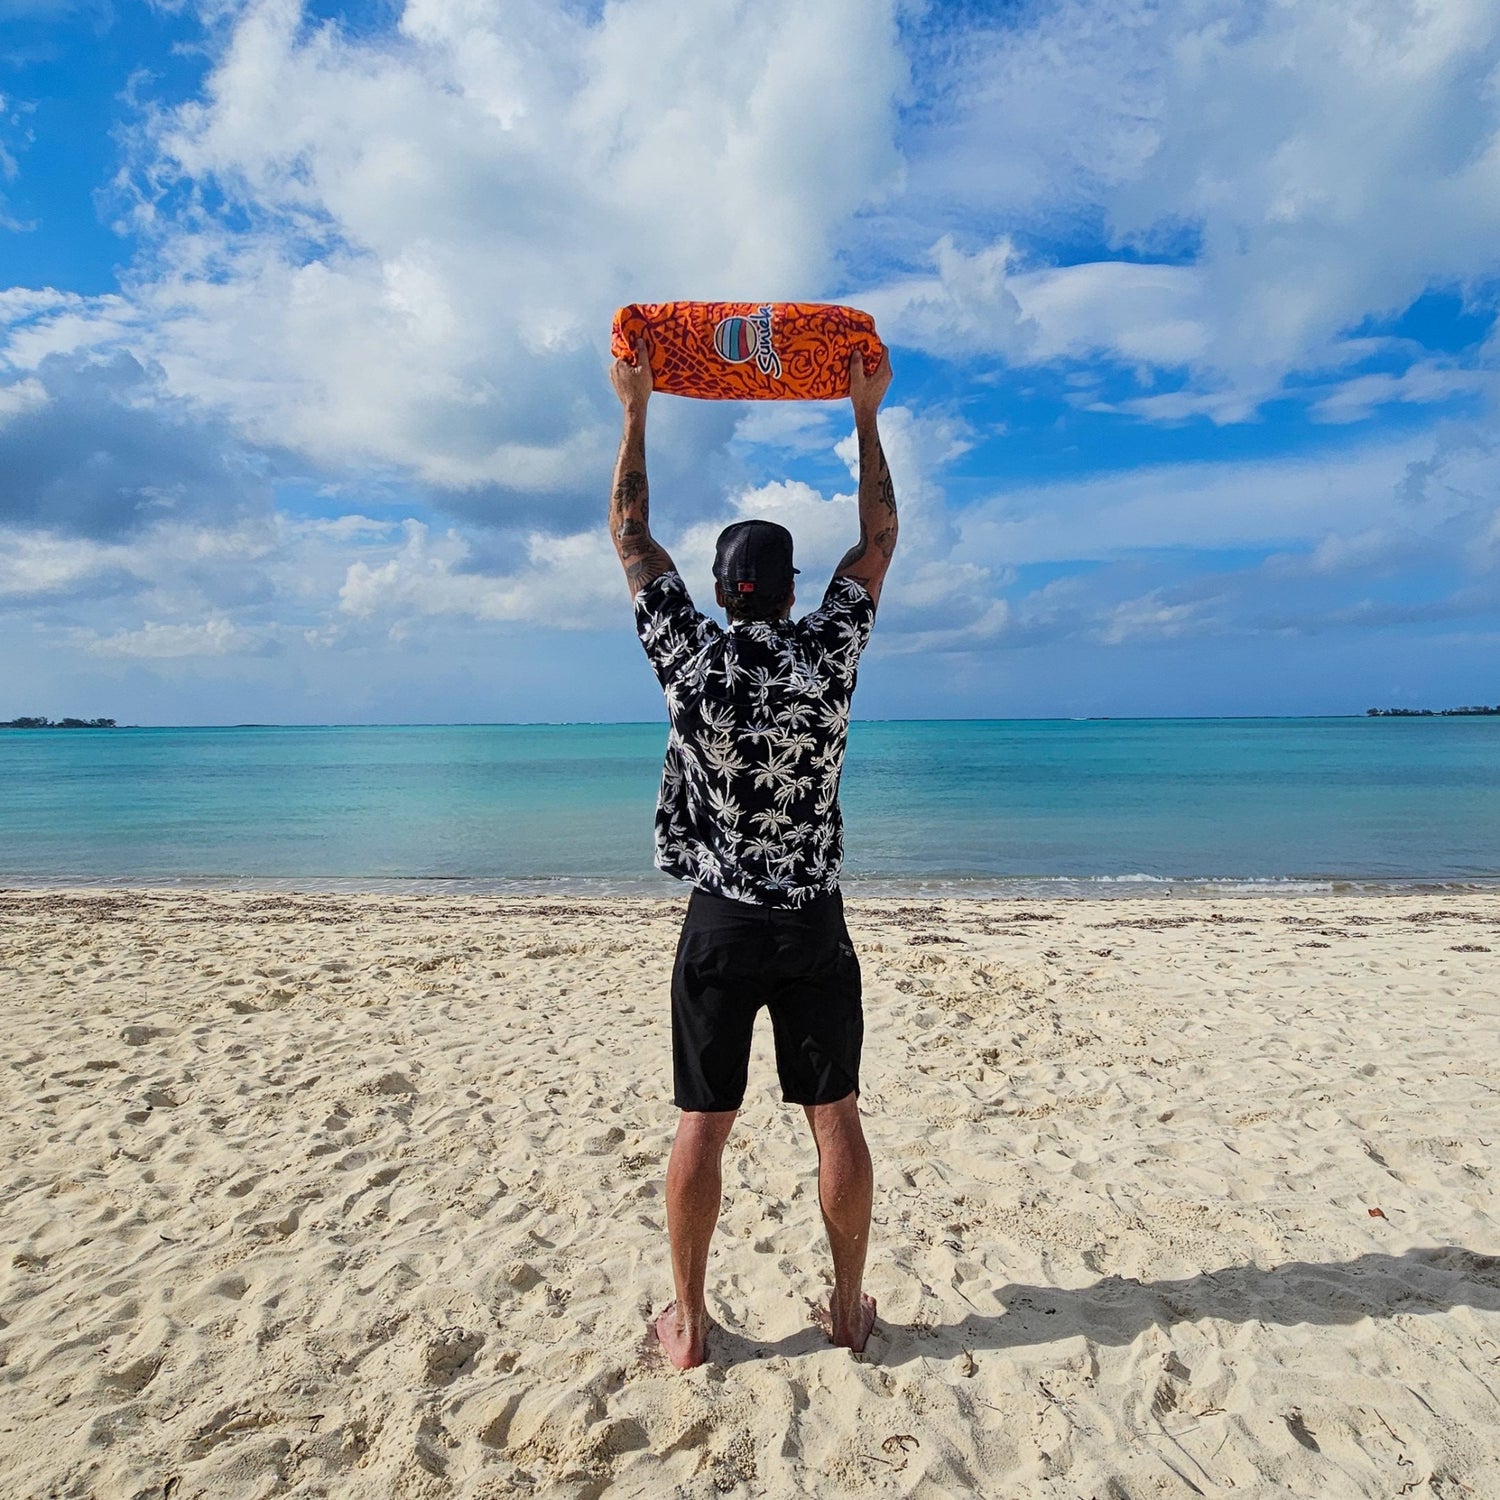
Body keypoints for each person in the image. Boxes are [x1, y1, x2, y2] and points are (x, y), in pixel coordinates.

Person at [607, 336, 897, 1369]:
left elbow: (631, 533)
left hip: (721, 922)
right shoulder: (830, 652)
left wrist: (637, 409)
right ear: (786, 589)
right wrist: (863, 415)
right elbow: (880, 537)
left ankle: (687, 1326)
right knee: (835, 1119)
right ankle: (850, 1309)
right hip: (812, 919)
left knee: (703, 1124)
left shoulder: (690, 657)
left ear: (725, 590)